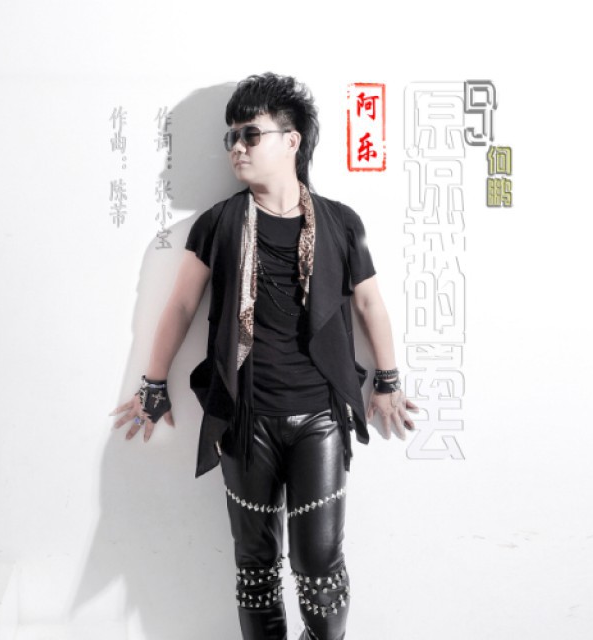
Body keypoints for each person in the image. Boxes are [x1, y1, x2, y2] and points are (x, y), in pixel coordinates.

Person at [111, 72, 419, 640]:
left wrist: (387, 380)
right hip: (245, 417)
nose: (237, 147)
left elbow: (369, 302)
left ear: (291, 140)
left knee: (320, 569)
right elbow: (181, 305)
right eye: (231, 136)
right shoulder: (219, 223)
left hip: (319, 418)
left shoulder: (341, 222)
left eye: (250, 134)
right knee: (255, 569)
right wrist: (153, 385)